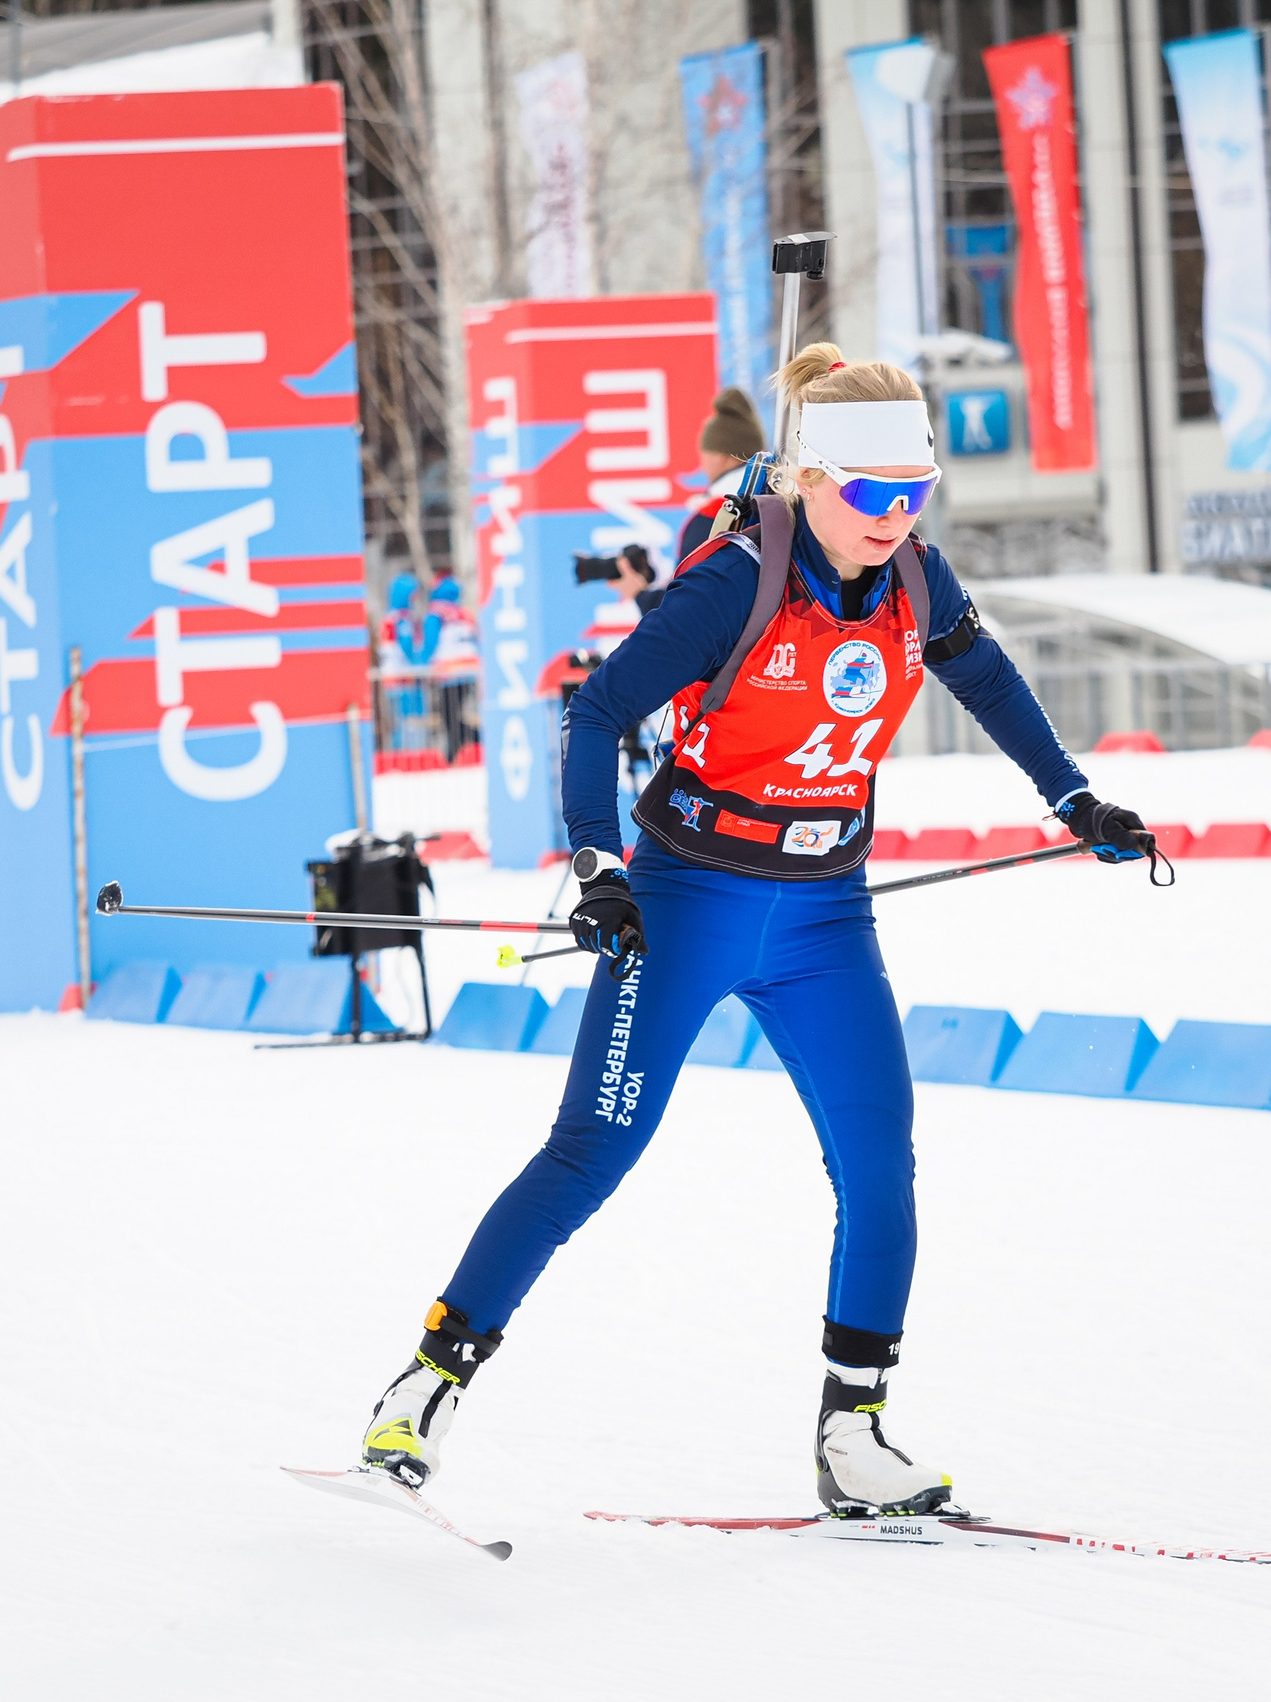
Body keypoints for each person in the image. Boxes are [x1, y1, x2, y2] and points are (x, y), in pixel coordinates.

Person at [355, 345, 1152, 1515]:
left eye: (914, 492)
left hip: (824, 914)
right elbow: (599, 711)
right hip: (687, 899)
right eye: (872, 495)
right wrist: (597, 865)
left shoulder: (919, 583)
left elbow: (989, 685)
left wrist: (1074, 800)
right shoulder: (735, 580)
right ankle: (423, 1388)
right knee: (593, 1154)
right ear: (809, 480)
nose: (894, 517)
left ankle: (854, 1434)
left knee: (880, 1165)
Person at [611, 386, 768, 615]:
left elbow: (685, 608)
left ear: (722, 456)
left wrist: (640, 595)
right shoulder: (775, 497)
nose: (701, 464)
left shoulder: (716, 517)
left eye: (703, 453)